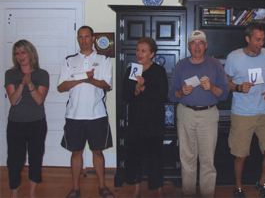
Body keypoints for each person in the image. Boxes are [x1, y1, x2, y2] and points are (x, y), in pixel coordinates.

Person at [169, 30, 230, 197]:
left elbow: (224, 94)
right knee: (187, 159)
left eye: (200, 43)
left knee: (207, 161)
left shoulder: (216, 64)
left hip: (208, 115)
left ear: (206, 46)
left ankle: (207, 195)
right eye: (193, 43)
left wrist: (211, 87)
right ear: (188, 46)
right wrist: (181, 91)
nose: (197, 47)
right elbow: (171, 95)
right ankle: (188, 194)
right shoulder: (181, 65)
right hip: (185, 113)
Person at [224, 22, 265, 198]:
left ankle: (262, 183)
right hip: (242, 113)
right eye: (257, 39)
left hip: (264, 112)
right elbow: (226, 82)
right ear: (248, 38)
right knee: (240, 156)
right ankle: (238, 187)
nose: (261, 43)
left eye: (263, 40)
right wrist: (239, 88)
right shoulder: (234, 57)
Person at [57, 26, 114, 198]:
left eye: (86, 37)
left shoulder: (103, 59)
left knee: (98, 152)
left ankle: (102, 187)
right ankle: (75, 188)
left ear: (93, 38)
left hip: (97, 114)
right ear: (77, 39)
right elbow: (61, 87)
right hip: (74, 115)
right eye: (80, 37)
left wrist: (91, 80)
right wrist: (79, 79)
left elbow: (107, 85)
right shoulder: (69, 60)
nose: (83, 40)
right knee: (76, 153)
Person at [122, 37, 168, 198]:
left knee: (155, 158)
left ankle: (159, 191)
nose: (139, 53)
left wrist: (144, 88)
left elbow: (163, 96)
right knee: (134, 157)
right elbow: (124, 95)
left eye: (143, 50)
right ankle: (136, 191)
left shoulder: (158, 71)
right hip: (136, 122)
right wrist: (135, 89)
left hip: (154, 123)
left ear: (151, 54)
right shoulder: (131, 70)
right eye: (137, 50)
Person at [4, 40, 49, 198]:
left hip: (37, 123)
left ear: (30, 53)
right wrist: (22, 84)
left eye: (23, 52)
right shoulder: (10, 74)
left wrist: (30, 85)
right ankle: (14, 193)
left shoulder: (42, 74)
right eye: (17, 53)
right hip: (16, 124)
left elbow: (39, 100)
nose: (20, 56)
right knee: (15, 161)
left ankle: (32, 193)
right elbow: (13, 100)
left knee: (35, 158)